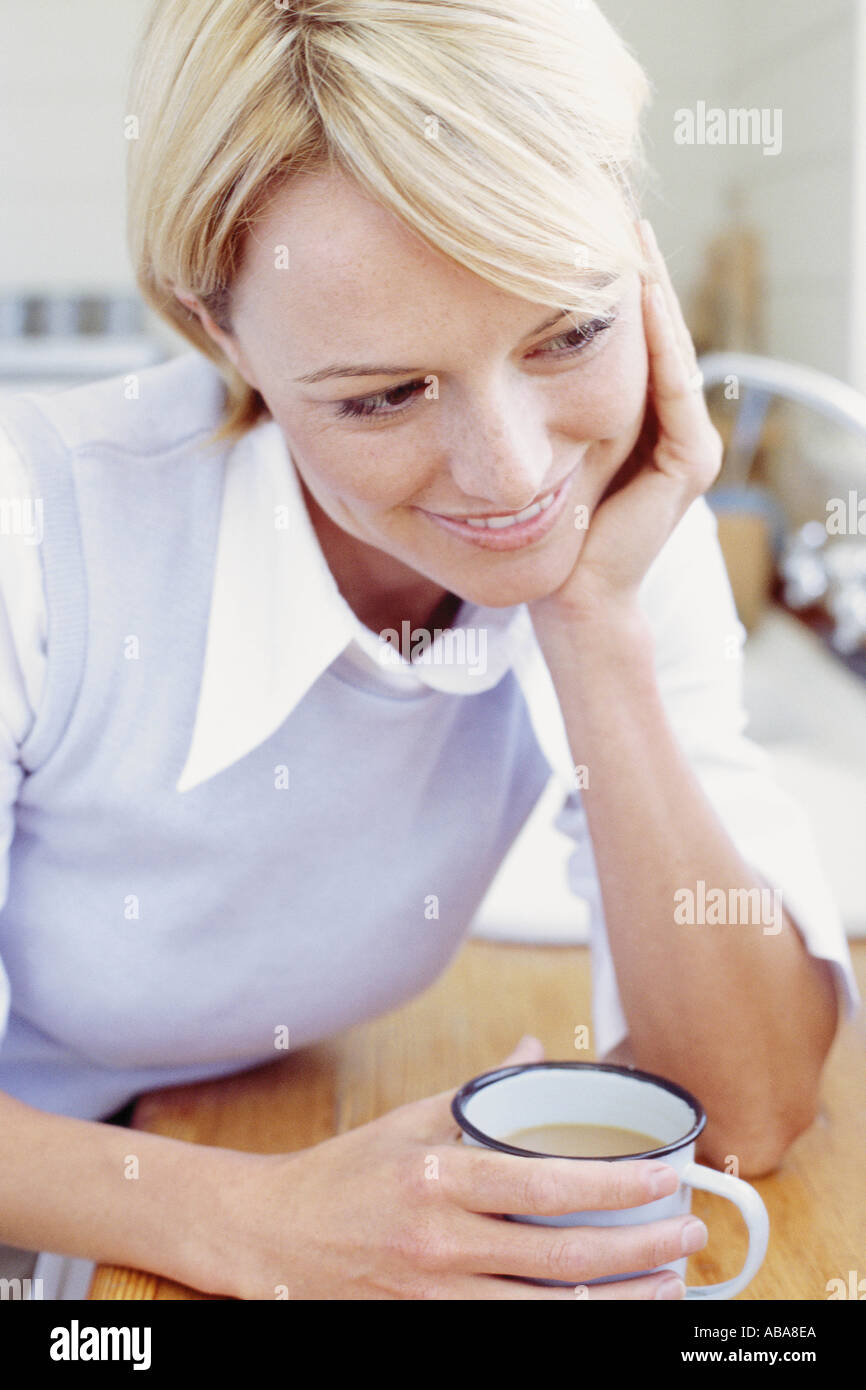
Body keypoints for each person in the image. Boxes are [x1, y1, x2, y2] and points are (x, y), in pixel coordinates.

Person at [0, 0, 857, 1301]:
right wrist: (258, 1222)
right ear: (215, 329)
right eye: (383, 395)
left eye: (568, 332)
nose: (512, 472)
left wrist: (589, 622)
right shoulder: (39, 534)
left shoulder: (606, 512)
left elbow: (738, 1105)